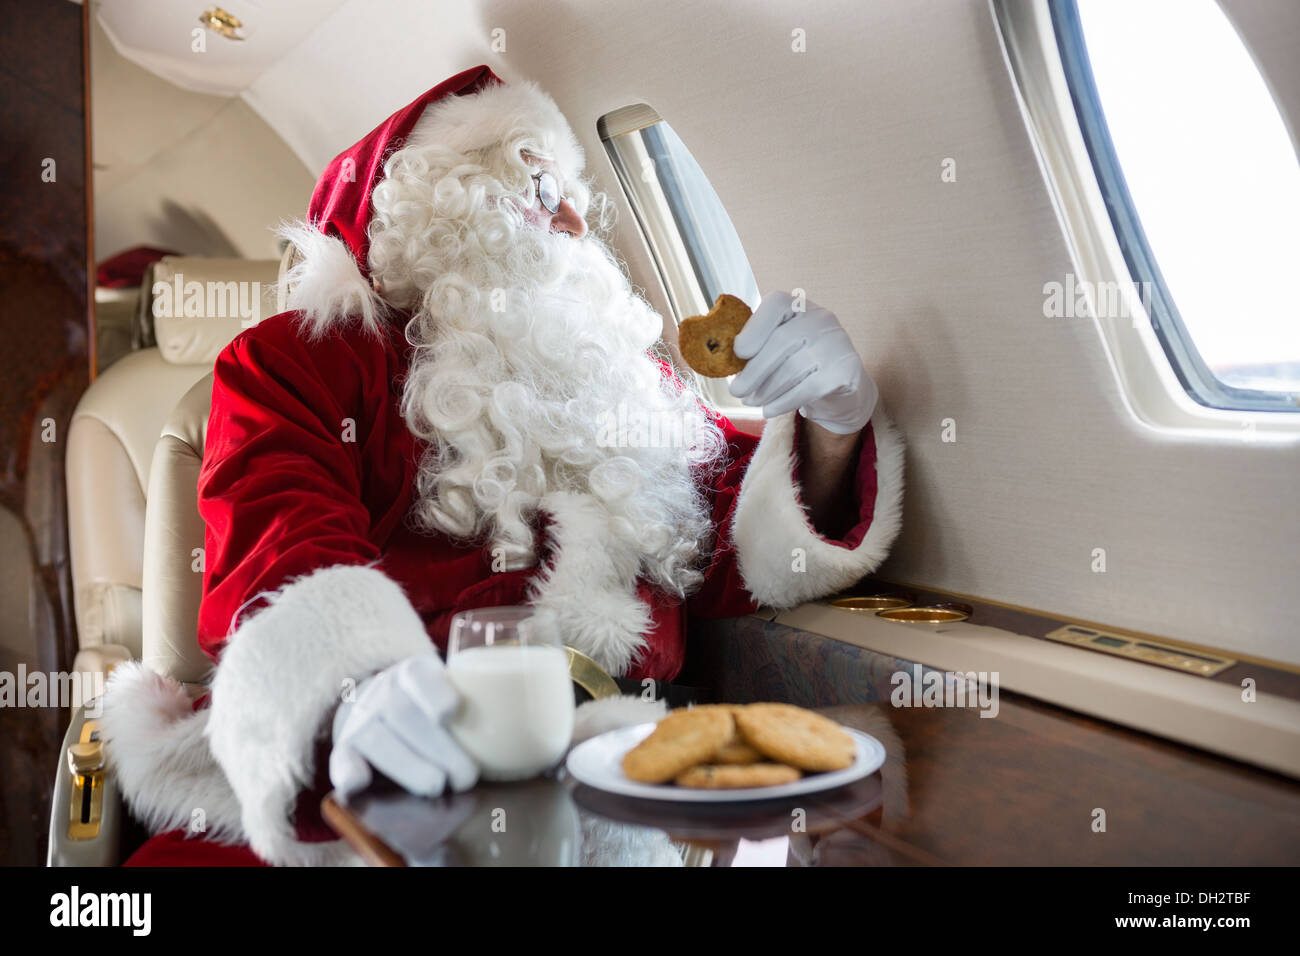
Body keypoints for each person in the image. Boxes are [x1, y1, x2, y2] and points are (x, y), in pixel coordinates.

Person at [99, 65, 904, 866]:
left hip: (618, 779)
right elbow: (279, 543)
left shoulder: (620, 376)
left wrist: (829, 422)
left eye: (574, 192)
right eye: (536, 180)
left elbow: (729, 552)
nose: (574, 222)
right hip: (376, 781)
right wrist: (358, 694)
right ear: (435, 206)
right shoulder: (300, 364)